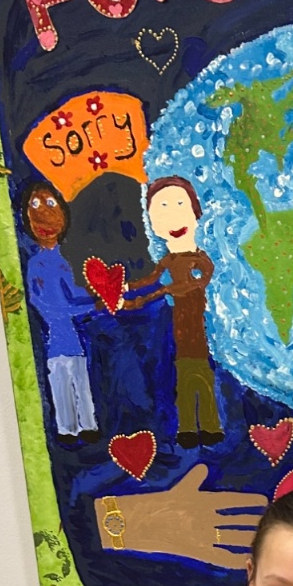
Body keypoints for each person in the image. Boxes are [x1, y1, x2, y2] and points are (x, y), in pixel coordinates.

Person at [124, 176, 223, 448]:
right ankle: (188, 428)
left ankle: (211, 426)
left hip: (199, 335)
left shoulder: (201, 260)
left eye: (180, 205)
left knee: (202, 378)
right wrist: (126, 287)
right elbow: (150, 279)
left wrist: (160, 293)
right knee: (185, 381)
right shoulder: (168, 260)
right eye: (162, 210)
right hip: (181, 335)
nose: (172, 217)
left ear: (195, 212)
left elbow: (194, 284)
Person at [21, 182, 101, 443]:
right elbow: (39, 300)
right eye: (35, 205)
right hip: (55, 338)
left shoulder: (65, 262)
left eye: (50, 204)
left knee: (79, 378)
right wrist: (91, 306)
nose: (44, 214)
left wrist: (97, 297)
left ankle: (87, 425)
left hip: (71, 338)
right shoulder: (36, 264)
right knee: (61, 380)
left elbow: (74, 293)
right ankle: (67, 428)